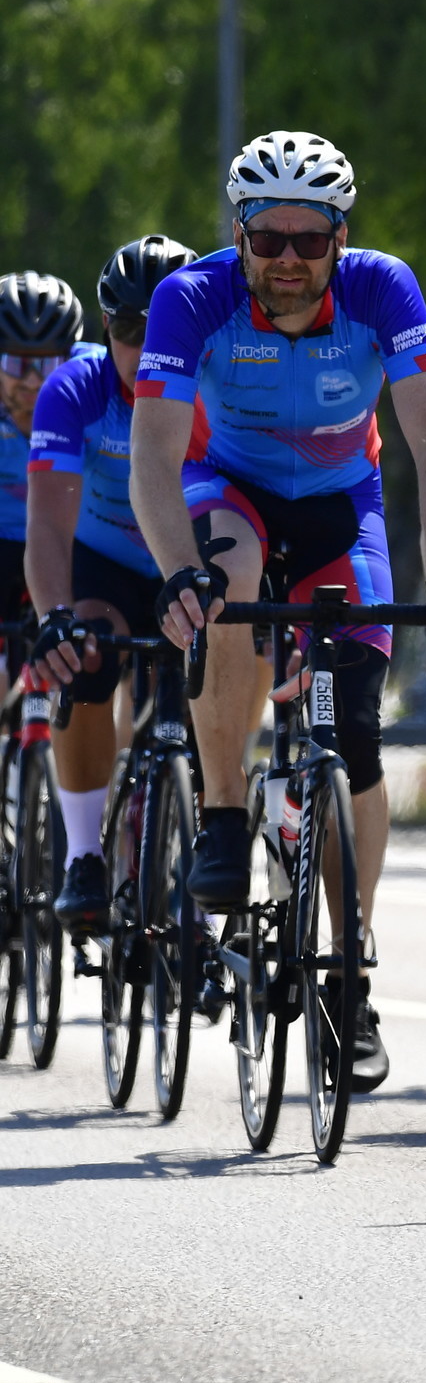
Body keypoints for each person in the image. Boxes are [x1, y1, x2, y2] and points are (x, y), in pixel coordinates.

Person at [132, 130, 426, 1093]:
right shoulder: (191, 298)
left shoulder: (383, 289)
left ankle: (351, 975)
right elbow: (154, 454)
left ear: (342, 238)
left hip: (340, 506)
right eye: (267, 239)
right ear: (237, 234)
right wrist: (178, 572)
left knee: (354, 734)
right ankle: (223, 809)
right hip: (230, 491)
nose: (288, 260)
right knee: (227, 580)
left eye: (310, 240)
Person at [27, 236, 199, 932]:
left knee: (223, 674)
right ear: (105, 327)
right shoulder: (74, 390)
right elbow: (47, 527)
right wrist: (55, 616)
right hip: (107, 566)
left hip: (189, 561)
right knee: (86, 657)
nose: (147, 348)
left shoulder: (218, 386)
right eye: (131, 328)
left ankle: (201, 857)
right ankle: (83, 855)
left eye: (166, 329)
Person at [1, 273, 85, 646]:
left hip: (68, 546)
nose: (34, 381)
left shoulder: (92, 384)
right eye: (17, 365)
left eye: (48, 365)